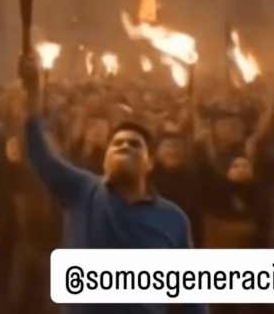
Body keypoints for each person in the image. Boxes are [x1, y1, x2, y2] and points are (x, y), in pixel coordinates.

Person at [18, 54, 207, 314]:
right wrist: (34, 90)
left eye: (135, 144)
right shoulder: (82, 192)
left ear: (150, 163)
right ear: (105, 160)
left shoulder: (173, 219)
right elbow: (39, 150)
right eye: (117, 143)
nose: (124, 146)